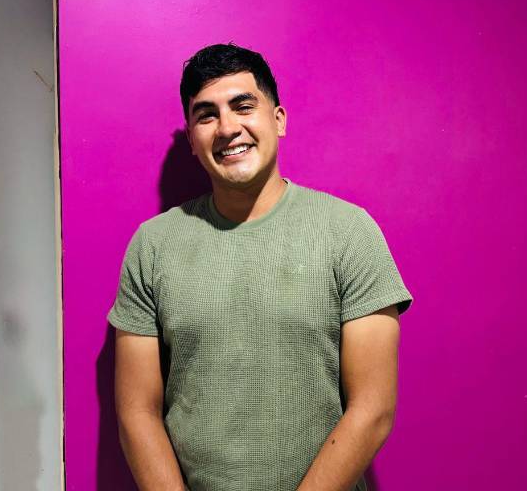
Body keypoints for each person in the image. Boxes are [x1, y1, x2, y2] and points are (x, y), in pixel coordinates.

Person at [108, 42, 413, 491]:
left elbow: (373, 409)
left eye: (243, 106)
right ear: (192, 139)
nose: (228, 127)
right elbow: (137, 412)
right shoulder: (152, 246)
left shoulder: (349, 231)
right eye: (206, 115)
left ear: (279, 119)